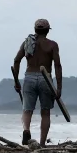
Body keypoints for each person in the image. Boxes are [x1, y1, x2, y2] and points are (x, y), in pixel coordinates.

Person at [12, 18, 63, 146]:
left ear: (35, 30)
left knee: (27, 109)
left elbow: (16, 60)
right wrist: (59, 87)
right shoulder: (52, 45)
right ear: (47, 31)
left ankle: (26, 130)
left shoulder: (27, 43)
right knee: (45, 112)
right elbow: (57, 65)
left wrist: (16, 81)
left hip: (29, 77)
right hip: (45, 78)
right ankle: (41, 144)